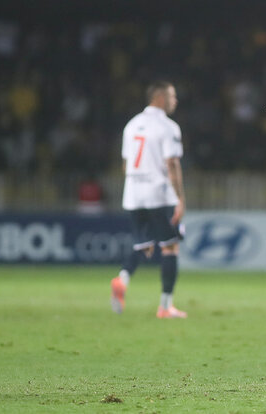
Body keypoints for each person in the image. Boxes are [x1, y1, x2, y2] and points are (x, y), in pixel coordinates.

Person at [111, 81, 187, 319]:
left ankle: (122, 278)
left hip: (133, 194)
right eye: (172, 96)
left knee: (143, 245)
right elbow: (172, 163)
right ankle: (165, 306)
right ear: (160, 98)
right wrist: (180, 198)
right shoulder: (168, 127)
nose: (175, 101)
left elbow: (125, 165)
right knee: (170, 246)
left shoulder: (132, 125)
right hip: (159, 194)